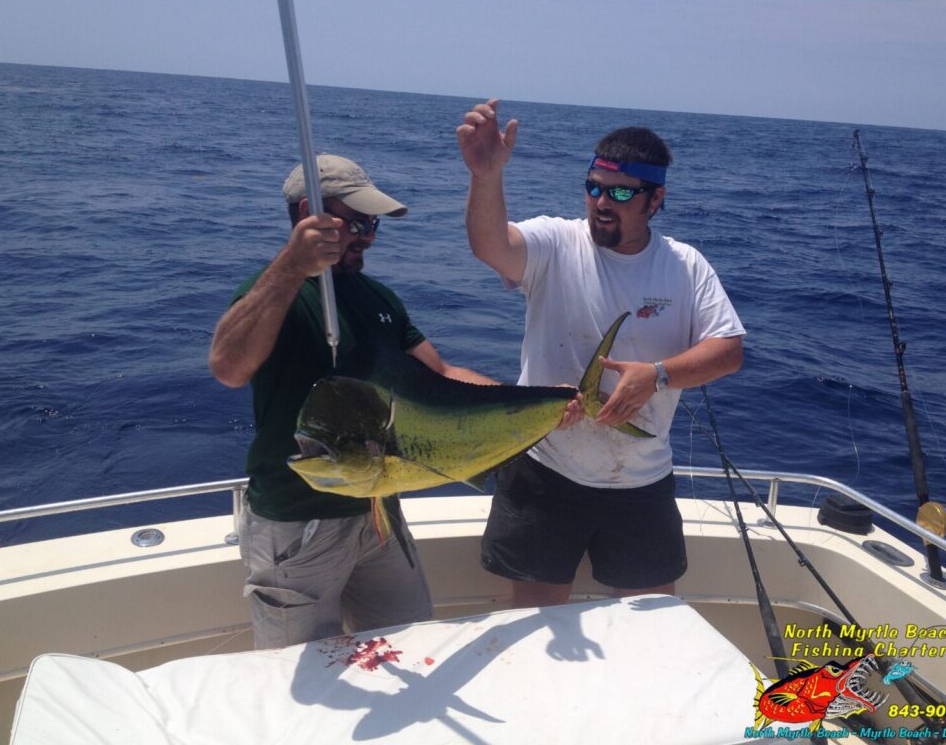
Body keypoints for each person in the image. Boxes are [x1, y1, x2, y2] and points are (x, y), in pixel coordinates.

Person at [457, 99, 746, 608]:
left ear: (655, 200)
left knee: (653, 627)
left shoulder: (686, 266)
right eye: (593, 187)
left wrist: (656, 376)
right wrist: (486, 177)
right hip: (545, 471)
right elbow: (490, 246)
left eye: (619, 192)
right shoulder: (556, 243)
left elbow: (727, 351)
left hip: (640, 481)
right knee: (531, 624)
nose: (601, 202)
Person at [209, 154, 496, 649]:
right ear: (306, 215)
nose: (366, 237)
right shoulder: (274, 292)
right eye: (355, 223)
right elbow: (228, 368)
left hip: (379, 509)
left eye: (372, 225)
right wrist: (293, 266)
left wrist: (551, 402)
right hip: (299, 522)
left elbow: (444, 374)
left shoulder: (379, 299)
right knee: (294, 670)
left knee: (407, 646)